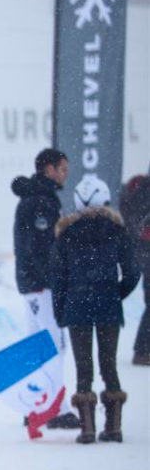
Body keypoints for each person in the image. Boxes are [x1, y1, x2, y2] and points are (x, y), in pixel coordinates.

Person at [50, 176, 141, 444]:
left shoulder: (66, 233)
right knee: (109, 364)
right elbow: (133, 272)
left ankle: (87, 428)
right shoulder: (117, 231)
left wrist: (61, 310)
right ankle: (113, 427)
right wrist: (116, 293)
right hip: (108, 305)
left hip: (77, 306)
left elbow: (58, 278)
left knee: (83, 366)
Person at [10, 148, 78, 428]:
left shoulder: (39, 197)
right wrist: (54, 277)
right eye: (62, 169)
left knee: (38, 344)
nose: (65, 174)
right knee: (53, 345)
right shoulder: (41, 201)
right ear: (48, 169)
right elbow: (41, 247)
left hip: (32, 282)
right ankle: (53, 408)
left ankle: (35, 404)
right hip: (41, 284)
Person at [118, 171, 150, 366]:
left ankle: (143, 349)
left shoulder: (136, 187)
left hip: (141, 253)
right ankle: (143, 350)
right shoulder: (143, 190)